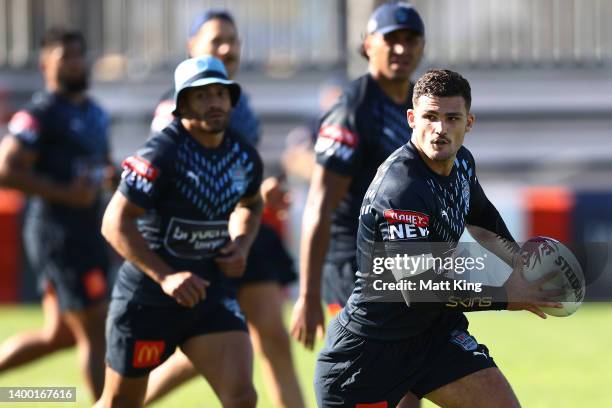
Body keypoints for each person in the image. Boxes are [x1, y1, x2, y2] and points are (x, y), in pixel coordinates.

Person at [314, 69, 564, 407]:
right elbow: (416, 289)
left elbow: (482, 219)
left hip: (434, 338)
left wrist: (519, 265)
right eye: (430, 117)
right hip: (368, 357)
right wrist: (506, 295)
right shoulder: (400, 191)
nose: (440, 129)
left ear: (469, 122)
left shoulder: (461, 162)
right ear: (411, 118)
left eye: (452, 118)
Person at [145, 10, 304, 408]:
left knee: (272, 337)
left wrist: (260, 191)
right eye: (216, 40)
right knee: (209, 348)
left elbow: (235, 172)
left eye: (233, 40)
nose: (228, 48)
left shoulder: (239, 101)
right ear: (191, 48)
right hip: (202, 240)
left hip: (245, 232)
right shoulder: (174, 111)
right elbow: (175, 181)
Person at [95, 56, 263, 408]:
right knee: (121, 403)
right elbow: (114, 222)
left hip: (209, 295)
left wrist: (243, 244)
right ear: (181, 104)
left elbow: (252, 203)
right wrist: (166, 277)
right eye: (202, 96)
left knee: (242, 396)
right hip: (148, 298)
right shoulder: (161, 154)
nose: (214, 102)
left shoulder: (244, 156)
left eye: (220, 93)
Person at [290, 0, 424, 346]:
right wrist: (308, 295)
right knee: (376, 374)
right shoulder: (353, 109)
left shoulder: (420, 104)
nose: (401, 48)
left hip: (405, 258)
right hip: (355, 264)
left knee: (414, 372)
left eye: (411, 39)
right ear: (367, 45)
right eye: (391, 39)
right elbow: (320, 205)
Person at [0, 27, 113, 401]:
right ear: (45, 64)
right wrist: (64, 192)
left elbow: (101, 167)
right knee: (97, 331)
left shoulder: (95, 112)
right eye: (66, 56)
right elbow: (6, 168)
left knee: (60, 336)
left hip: (88, 230)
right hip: (58, 233)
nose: (76, 63)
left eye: (79, 54)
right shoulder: (40, 113)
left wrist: (112, 178)